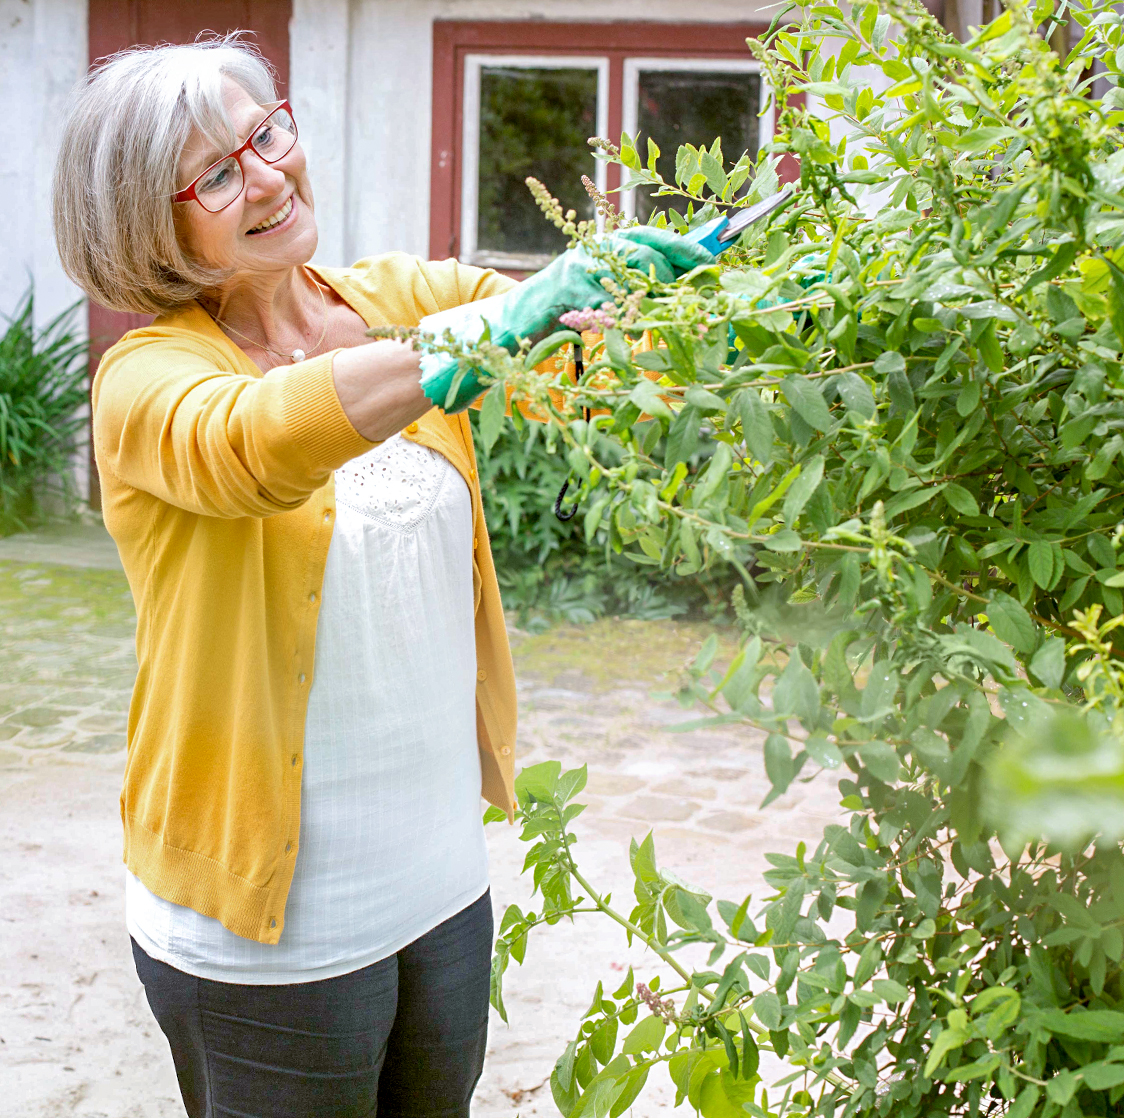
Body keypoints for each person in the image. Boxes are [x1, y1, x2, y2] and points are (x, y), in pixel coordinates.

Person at [51, 34, 701, 1118]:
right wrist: (497, 327)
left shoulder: (399, 297)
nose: (268, 173)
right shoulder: (148, 379)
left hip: (439, 881)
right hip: (269, 929)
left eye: (267, 133)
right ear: (145, 220)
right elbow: (256, 443)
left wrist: (703, 304)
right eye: (216, 172)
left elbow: (583, 358)